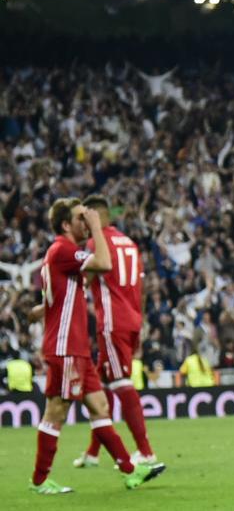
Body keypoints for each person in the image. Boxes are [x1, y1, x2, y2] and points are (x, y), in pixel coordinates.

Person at [30, 198, 165, 494]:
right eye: (80, 218)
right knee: (56, 411)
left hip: (77, 348)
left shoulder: (63, 253)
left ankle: (131, 470)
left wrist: (42, 309)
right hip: (65, 348)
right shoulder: (63, 249)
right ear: (66, 224)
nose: (86, 221)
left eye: (87, 218)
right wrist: (97, 229)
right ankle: (40, 480)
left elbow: (61, 291)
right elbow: (104, 264)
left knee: (100, 406)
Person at [73, 195, 158, 469]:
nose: (84, 227)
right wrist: (139, 323)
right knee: (101, 384)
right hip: (132, 319)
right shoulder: (130, 244)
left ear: (95, 216)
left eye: (85, 219)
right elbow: (141, 289)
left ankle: (145, 451)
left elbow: (84, 280)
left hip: (112, 321)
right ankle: (93, 452)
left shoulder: (97, 242)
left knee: (120, 382)